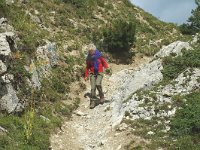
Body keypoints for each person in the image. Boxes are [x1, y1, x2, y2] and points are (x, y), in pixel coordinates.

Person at [84, 44, 109, 109]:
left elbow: (104, 62)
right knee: (93, 88)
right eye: (89, 51)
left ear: (94, 50)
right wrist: (86, 75)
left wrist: (107, 68)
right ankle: (93, 102)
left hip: (99, 72)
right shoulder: (88, 58)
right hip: (92, 73)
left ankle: (101, 96)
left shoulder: (99, 56)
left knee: (98, 84)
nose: (90, 53)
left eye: (91, 51)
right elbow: (87, 67)